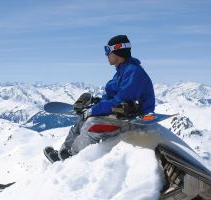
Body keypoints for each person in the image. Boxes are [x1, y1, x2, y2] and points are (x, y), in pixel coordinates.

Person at [44, 34, 155, 162]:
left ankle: (72, 159)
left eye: (108, 51)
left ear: (117, 52)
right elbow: (112, 96)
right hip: (120, 113)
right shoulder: (122, 70)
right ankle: (63, 153)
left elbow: (122, 100)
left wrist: (96, 110)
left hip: (132, 120)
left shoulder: (134, 72)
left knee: (91, 125)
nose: (106, 55)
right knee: (82, 119)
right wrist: (97, 103)